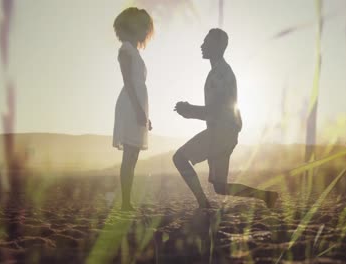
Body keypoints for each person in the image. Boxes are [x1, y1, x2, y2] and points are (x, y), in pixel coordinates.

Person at [173, 28, 278, 209]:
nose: (202, 45)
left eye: (206, 42)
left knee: (179, 158)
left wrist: (190, 110)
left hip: (220, 132)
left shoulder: (221, 73)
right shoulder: (219, 71)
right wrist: (190, 110)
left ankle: (203, 204)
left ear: (218, 46)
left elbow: (218, 110)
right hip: (226, 132)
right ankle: (267, 196)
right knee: (220, 187)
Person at [113, 7, 154, 211]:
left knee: (133, 154)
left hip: (137, 103)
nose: (147, 31)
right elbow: (128, 82)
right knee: (129, 154)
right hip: (130, 104)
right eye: (144, 26)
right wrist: (139, 111)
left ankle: (127, 202)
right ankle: (126, 203)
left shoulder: (134, 51)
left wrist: (145, 114)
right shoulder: (126, 50)